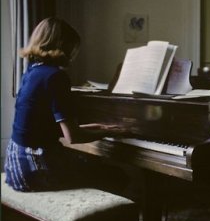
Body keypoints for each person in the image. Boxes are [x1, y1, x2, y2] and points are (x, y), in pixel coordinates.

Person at [4, 17, 128, 192]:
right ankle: (96, 217)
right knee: (116, 176)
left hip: (16, 164)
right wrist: (106, 132)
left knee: (91, 164)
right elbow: (73, 137)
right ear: (64, 46)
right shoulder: (55, 76)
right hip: (35, 168)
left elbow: (48, 127)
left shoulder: (32, 72)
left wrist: (99, 127)